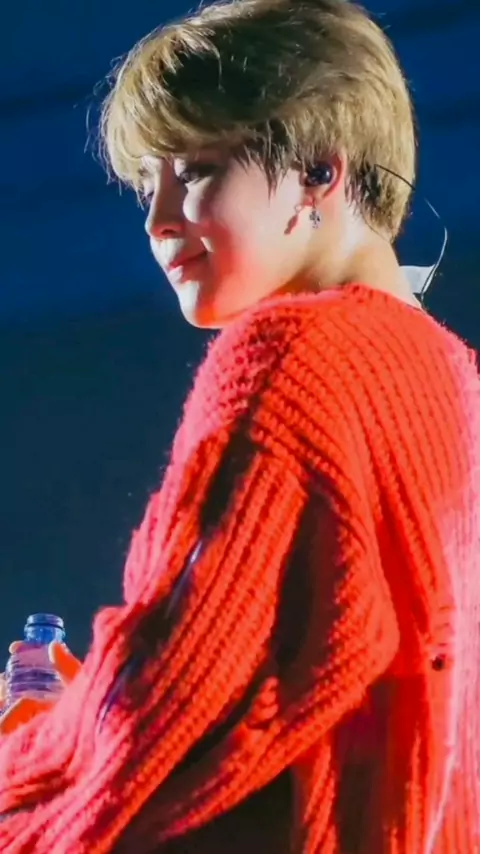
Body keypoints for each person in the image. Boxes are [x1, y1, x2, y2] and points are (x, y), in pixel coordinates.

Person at [0, 0, 479, 851]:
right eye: (147, 185)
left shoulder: (291, 355)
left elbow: (170, 706)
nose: (157, 220)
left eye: (195, 170)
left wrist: (30, 749)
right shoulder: (454, 378)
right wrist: (87, 708)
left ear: (319, 170)